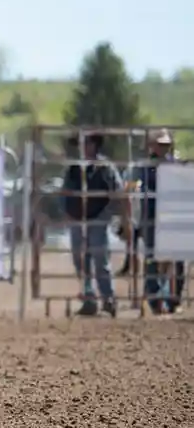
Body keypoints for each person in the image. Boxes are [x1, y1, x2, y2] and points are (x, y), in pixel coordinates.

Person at [61, 132, 131, 317]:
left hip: (98, 218)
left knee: (100, 258)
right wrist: (68, 213)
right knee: (80, 259)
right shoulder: (74, 168)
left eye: (87, 143)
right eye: (81, 143)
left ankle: (108, 298)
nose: (83, 147)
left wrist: (124, 217)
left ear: (94, 145)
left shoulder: (105, 167)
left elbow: (118, 192)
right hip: (78, 219)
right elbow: (66, 192)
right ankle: (88, 297)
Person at [135, 129, 185, 315]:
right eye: (160, 144)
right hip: (151, 217)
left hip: (172, 217)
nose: (163, 148)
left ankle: (173, 298)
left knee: (176, 260)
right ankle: (155, 298)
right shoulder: (145, 166)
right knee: (151, 259)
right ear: (152, 146)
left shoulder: (177, 165)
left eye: (166, 145)